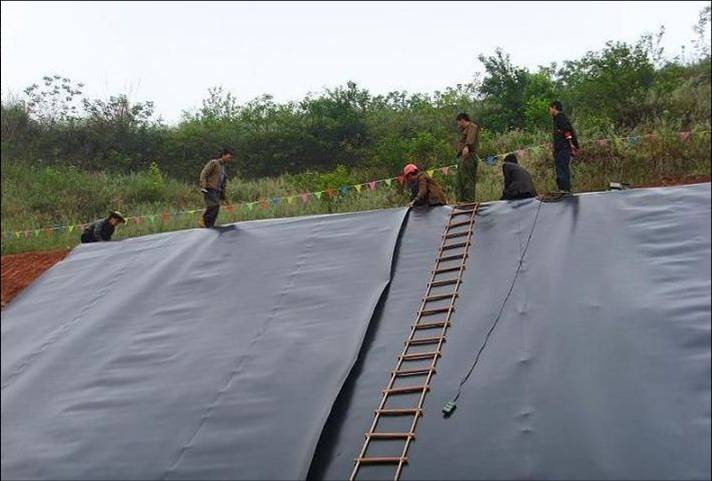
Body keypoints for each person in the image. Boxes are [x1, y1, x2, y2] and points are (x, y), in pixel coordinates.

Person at [548, 101, 579, 193]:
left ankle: (565, 190)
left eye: (550, 109)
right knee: (559, 168)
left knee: (562, 168)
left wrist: (571, 145)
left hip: (563, 148)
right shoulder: (556, 119)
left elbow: (567, 131)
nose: (549, 112)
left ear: (554, 107)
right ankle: (562, 189)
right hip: (559, 148)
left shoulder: (561, 117)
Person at [198, 148, 234, 228]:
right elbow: (204, 172)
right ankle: (203, 220)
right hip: (209, 188)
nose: (230, 159)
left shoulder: (223, 168)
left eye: (231, 158)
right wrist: (202, 183)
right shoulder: (214, 163)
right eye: (228, 157)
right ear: (223, 155)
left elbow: (222, 184)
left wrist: (225, 198)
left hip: (217, 191)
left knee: (216, 208)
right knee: (214, 205)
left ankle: (209, 225)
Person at [455, 113, 480, 203]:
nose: (458, 125)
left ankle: (468, 201)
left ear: (462, 120)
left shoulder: (472, 126)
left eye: (458, 122)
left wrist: (467, 147)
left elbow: (470, 139)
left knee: (467, 180)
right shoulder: (463, 130)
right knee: (459, 182)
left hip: (468, 157)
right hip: (462, 158)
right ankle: (460, 200)